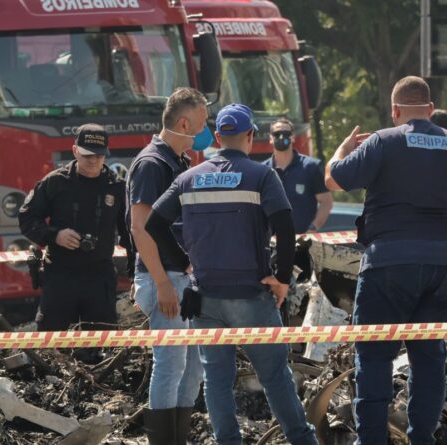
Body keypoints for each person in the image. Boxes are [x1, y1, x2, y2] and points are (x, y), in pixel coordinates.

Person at [146, 104, 318, 445]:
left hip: (205, 297)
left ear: (218, 136)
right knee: (275, 377)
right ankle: (302, 440)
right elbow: (285, 226)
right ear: (251, 136)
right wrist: (282, 278)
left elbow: (153, 223)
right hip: (251, 295)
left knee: (216, 380)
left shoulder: (188, 178)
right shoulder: (262, 176)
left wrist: (183, 262)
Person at [325, 76, 447, 445]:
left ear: (395, 111)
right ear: (430, 109)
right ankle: (422, 439)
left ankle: (373, 440)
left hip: (388, 265)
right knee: (430, 359)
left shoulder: (382, 140)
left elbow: (333, 179)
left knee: (375, 356)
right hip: (442, 268)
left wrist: (342, 150)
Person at [126, 87, 209, 444]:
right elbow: (139, 227)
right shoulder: (152, 164)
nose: (206, 131)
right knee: (171, 366)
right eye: (203, 124)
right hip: (167, 279)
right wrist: (157, 281)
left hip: (179, 279)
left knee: (191, 371)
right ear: (184, 122)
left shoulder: (177, 162)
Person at [19, 124, 131, 334]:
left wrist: (136, 272)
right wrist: (55, 235)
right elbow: (27, 218)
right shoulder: (55, 182)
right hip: (60, 275)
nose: (93, 160)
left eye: (99, 156)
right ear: (75, 151)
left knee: (101, 349)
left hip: (99, 277)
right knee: (49, 346)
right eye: (87, 155)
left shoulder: (116, 187)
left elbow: (131, 233)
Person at [263, 117, 333, 233]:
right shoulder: (263, 171)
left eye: (286, 133)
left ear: (293, 137)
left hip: (303, 244)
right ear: (270, 138)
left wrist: (312, 229)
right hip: (270, 244)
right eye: (277, 134)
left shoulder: (311, 167)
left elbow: (326, 202)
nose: (281, 137)